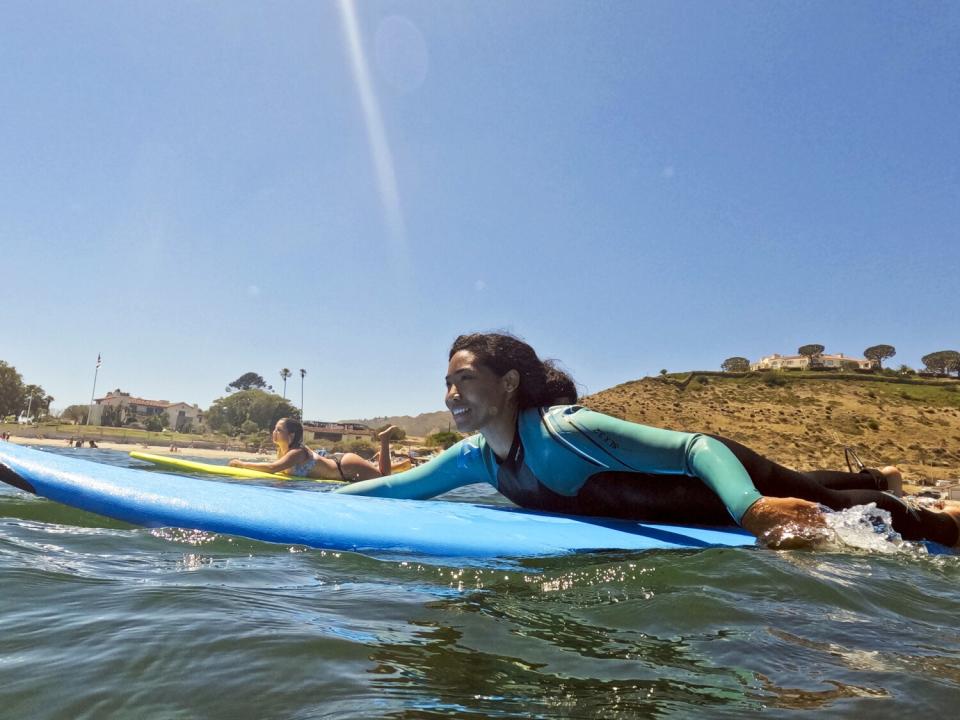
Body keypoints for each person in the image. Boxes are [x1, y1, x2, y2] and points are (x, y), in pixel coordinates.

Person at [337, 332, 960, 549]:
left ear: (507, 383)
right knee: (820, 487)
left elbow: (695, 447)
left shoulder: (567, 429)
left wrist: (753, 509)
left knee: (849, 514)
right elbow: (399, 486)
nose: (450, 394)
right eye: (445, 383)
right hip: (698, 512)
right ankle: (880, 477)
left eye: (464, 380)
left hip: (721, 480)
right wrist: (342, 502)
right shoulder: (477, 458)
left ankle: (936, 516)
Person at [229, 417, 399, 482]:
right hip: (335, 462)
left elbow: (273, 469)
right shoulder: (283, 451)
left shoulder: (296, 453)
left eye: (279, 430)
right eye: (274, 428)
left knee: (384, 477)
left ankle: (384, 440)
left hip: (345, 466)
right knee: (377, 472)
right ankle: (388, 463)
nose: (274, 432)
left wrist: (241, 463)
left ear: (291, 435)